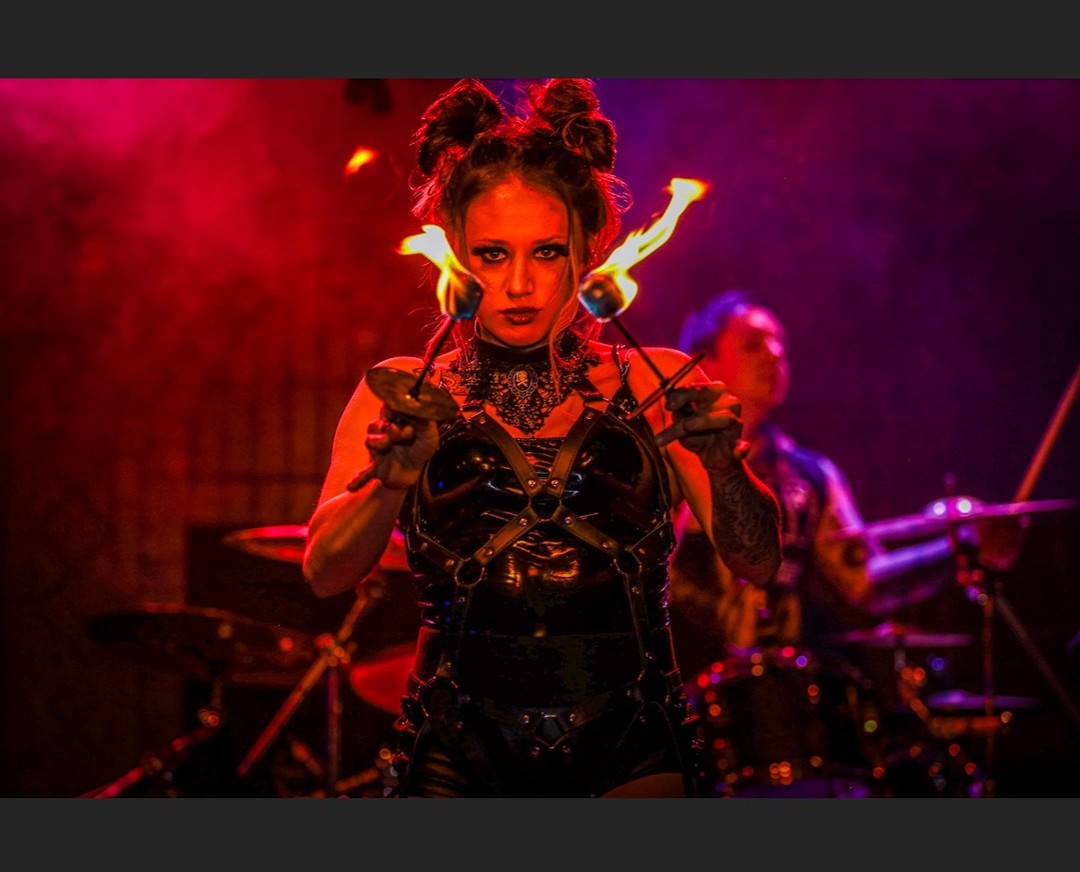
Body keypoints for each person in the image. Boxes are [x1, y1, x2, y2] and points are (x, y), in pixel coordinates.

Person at [301, 79, 783, 798]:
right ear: (457, 254)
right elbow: (324, 574)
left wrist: (725, 468)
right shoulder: (400, 391)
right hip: (455, 753)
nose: (520, 284)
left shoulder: (657, 381)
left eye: (547, 252)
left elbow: (760, 562)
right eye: (494, 255)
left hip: (632, 748)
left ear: (587, 249)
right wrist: (387, 486)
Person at [667, 288, 1028, 797]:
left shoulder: (810, 476)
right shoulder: (667, 462)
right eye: (753, 343)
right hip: (683, 715)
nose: (775, 354)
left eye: (780, 342)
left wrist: (959, 548)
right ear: (704, 364)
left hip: (790, 711)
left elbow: (864, 584)